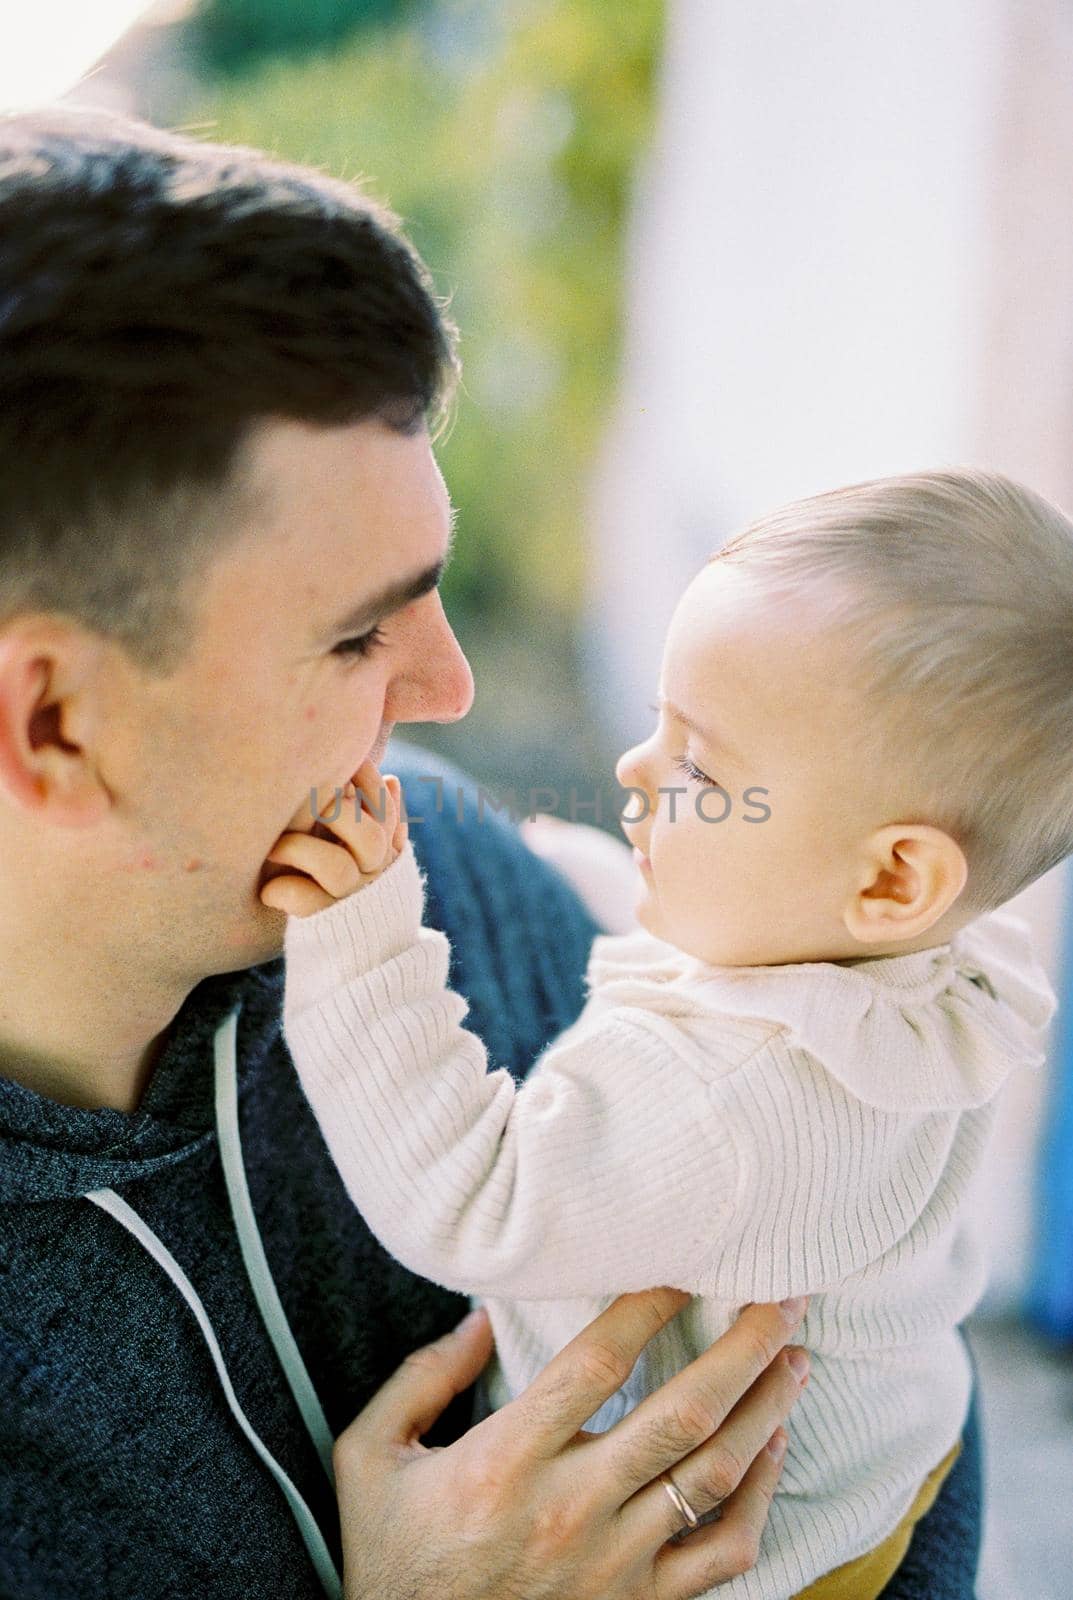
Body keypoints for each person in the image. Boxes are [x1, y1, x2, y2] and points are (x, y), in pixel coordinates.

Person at [0, 103, 980, 1600]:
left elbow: (879, 1386)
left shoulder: (455, 880)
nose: (448, 690)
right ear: (53, 725)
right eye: (356, 632)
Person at [262, 467, 1069, 1598]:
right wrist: (599, 871)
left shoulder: (717, 1103)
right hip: (892, 1444)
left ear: (892, 876)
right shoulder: (945, 965)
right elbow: (741, 971)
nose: (635, 770)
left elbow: (471, 1196)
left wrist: (361, 939)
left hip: (758, 1549)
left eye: (699, 762)